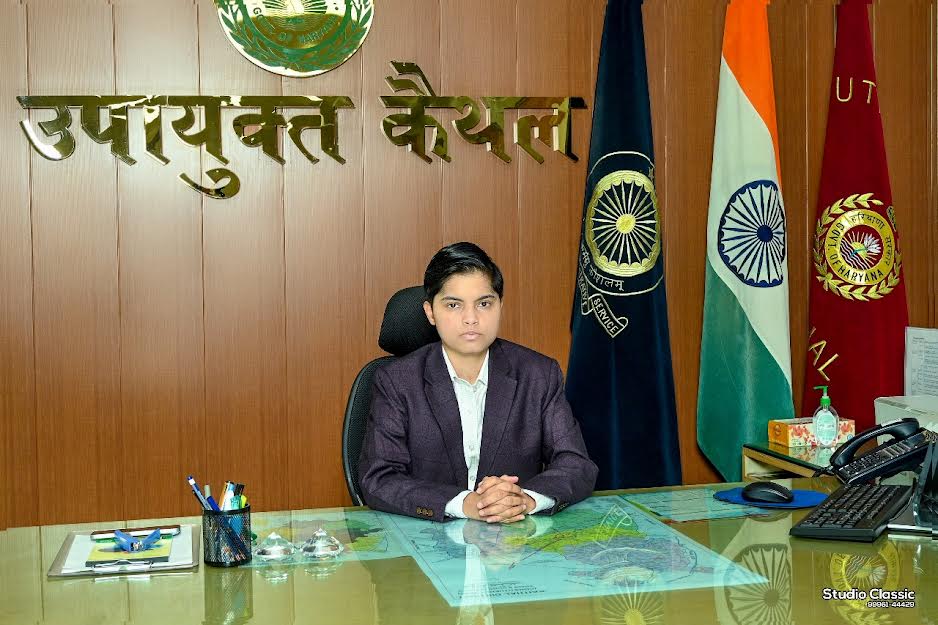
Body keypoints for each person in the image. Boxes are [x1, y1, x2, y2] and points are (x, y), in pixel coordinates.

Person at [359, 242, 597, 523]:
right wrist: (465, 503)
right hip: (429, 538)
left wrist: (525, 499)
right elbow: (379, 478)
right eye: (453, 305)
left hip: (513, 541)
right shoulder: (397, 381)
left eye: (484, 304)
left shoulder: (538, 375)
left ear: (500, 306)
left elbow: (576, 464)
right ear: (430, 312)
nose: (471, 319)